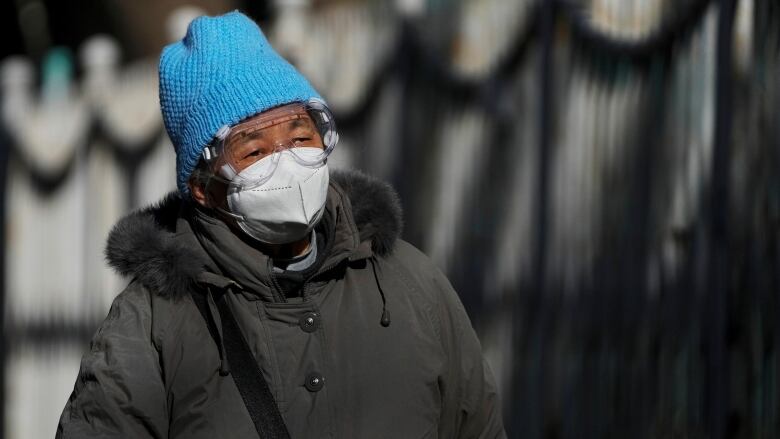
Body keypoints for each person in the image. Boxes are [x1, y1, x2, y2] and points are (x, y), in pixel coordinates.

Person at [56, 10, 505, 439]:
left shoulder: (412, 285)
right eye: (253, 151)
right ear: (201, 185)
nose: (286, 162)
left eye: (300, 136)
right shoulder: (153, 325)